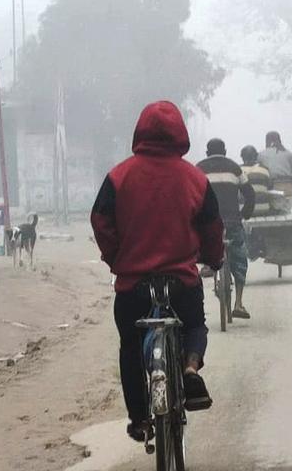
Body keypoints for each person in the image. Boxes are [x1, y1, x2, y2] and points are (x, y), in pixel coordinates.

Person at [91, 101, 223, 442]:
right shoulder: (194, 178)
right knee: (194, 325)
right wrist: (214, 258)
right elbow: (211, 226)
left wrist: (116, 257)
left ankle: (138, 419)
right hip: (181, 281)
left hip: (133, 286)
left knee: (130, 347)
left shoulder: (119, 176)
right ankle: (191, 368)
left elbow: (101, 220)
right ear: (181, 133)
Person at [198, 139, 256, 319]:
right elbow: (249, 193)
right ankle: (238, 303)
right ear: (225, 151)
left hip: (209, 223)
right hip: (232, 221)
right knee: (239, 258)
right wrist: (245, 212)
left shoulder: (198, 169)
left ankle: (208, 264)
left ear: (207, 152)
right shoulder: (234, 168)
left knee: (203, 243)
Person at [259, 131, 292, 199]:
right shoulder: (288, 154)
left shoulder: (261, 155)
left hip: (272, 190)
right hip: (288, 189)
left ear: (267, 141)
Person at [240, 145, 272, 217]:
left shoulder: (237, 171)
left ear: (242, 157)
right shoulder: (265, 169)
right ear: (256, 156)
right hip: (263, 209)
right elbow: (270, 188)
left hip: (244, 210)